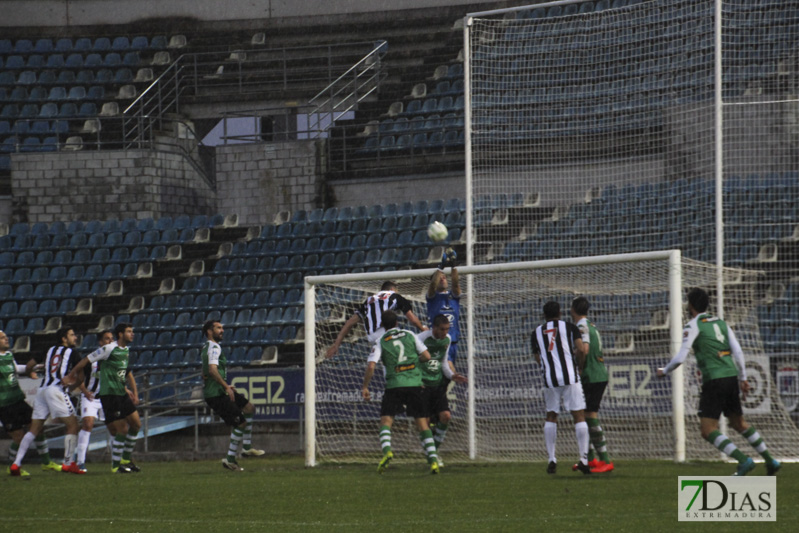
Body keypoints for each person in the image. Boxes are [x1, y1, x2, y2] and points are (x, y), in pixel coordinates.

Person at [657, 288, 780, 476]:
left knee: (707, 430)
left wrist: (664, 370)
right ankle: (770, 460)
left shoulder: (693, 325)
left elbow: (681, 357)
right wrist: (743, 378)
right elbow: (737, 351)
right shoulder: (722, 323)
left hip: (714, 380)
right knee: (739, 423)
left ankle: (744, 460)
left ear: (690, 305)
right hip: (731, 377)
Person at [362, 310, 439, 474]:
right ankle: (433, 460)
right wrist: (414, 364)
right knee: (422, 422)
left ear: (382, 325)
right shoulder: (410, 334)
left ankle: (387, 451)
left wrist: (365, 386)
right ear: (397, 322)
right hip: (414, 383)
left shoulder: (381, 340)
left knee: (386, 420)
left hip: (394, 384)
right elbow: (426, 355)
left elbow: (371, 366)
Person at [65, 322, 141, 474]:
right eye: (129, 331)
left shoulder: (125, 350)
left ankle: (125, 459)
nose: (132, 334)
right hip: (110, 395)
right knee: (121, 429)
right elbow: (85, 360)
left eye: (132, 331)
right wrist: (71, 374)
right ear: (120, 334)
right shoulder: (108, 349)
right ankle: (115, 465)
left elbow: (123, 373)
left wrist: (130, 390)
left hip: (121, 392)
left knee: (136, 424)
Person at [10, 326, 83, 475]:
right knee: (73, 425)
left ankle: (16, 464)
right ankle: (68, 463)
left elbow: (30, 365)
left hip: (42, 390)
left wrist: (31, 373)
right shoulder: (72, 353)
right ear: (64, 338)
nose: (75, 337)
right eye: (72, 335)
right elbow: (81, 376)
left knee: (33, 430)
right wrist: (72, 385)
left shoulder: (48, 350)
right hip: (56, 390)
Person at [532, 301, 591, 475]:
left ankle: (551, 458)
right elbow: (581, 349)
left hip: (550, 378)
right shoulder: (570, 327)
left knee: (551, 415)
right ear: (559, 312)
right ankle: (584, 459)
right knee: (579, 415)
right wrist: (579, 365)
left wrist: (548, 366)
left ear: (544, 314)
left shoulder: (536, 332)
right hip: (570, 376)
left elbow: (537, 356)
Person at [200, 320, 264, 472]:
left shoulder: (207, 347)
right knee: (240, 422)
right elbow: (212, 370)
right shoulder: (214, 347)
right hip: (216, 394)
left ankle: (247, 448)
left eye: (222, 328)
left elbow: (206, 371)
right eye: (218, 328)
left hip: (219, 390)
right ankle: (230, 460)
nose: (222, 330)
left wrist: (224, 386)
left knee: (249, 407)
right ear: (209, 331)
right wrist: (225, 386)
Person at [1, 330, 59, 477]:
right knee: (18, 437)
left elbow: (16, 369)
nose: (6, 339)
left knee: (38, 427)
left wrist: (36, 367)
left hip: (18, 400)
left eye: (6, 337)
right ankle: (12, 466)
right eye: (2, 338)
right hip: (4, 404)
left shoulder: (8, 355)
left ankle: (46, 463)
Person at [326, 281, 428, 359]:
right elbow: (412, 318)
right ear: (393, 289)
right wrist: (423, 329)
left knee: (389, 361)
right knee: (413, 337)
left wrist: (336, 344)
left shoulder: (369, 300)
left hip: (371, 337)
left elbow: (350, 323)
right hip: (385, 332)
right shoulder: (395, 296)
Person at [570, 296, 614, 474]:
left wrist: (579, 366)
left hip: (592, 376)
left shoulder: (581, 326)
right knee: (582, 415)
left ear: (573, 310)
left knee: (588, 415)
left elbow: (584, 349)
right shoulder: (592, 326)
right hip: (597, 374)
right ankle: (589, 459)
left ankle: (604, 460)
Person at [417, 314, 467, 464]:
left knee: (446, 416)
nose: (445, 332)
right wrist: (416, 380)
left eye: (447, 329)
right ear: (434, 328)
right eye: (442, 329)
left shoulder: (447, 339)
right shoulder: (421, 338)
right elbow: (412, 360)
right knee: (424, 422)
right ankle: (432, 455)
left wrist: (452, 376)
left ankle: (433, 451)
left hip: (437, 384)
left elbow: (443, 362)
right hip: (422, 385)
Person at [73, 329, 117, 474]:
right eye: (106, 339)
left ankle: (116, 463)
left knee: (114, 428)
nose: (110, 341)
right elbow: (79, 377)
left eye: (111, 339)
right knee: (88, 424)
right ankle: (80, 461)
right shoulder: (91, 359)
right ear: (100, 342)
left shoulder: (115, 360)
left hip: (107, 398)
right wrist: (84, 391)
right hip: (90, 397)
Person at [426, 250, 460, 363]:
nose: (443, 278)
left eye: (444, 277)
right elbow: (432, 286)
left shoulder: (453, 296)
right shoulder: (432, 297)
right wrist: (440, 268)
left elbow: (455, 284)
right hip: (438, 341)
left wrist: (453, 265)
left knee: (450, 371)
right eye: (440, 277)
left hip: (453, 341)